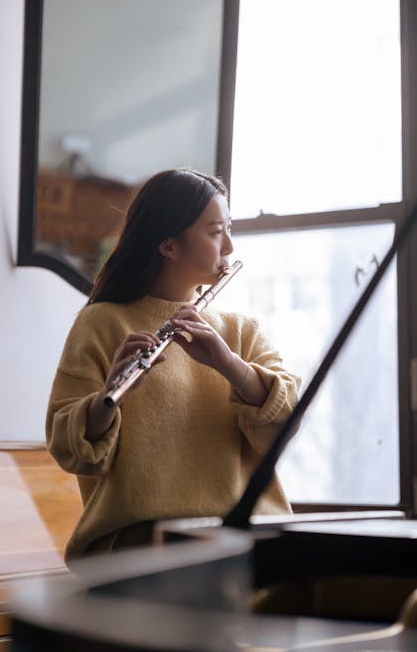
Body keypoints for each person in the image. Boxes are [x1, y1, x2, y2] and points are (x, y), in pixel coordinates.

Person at [46, 168, 300, 562]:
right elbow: (69, 448)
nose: (229, 246)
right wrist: (109, 394)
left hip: (245, 539)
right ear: (168, 245)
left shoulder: (241, 330)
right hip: (145, 545)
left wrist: (229, 364)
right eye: (216, 232)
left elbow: (285, 424)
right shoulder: (102, 322)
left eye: (229, 229)